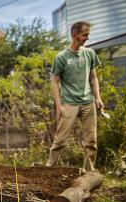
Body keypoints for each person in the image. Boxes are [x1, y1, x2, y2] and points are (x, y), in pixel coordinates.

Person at [46, 21, 104, 173]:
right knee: (60, 140)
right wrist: (58, 106)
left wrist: (97, 97)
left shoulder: (89, 53)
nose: (87, 38)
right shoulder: (61, 57)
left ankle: (89, 172)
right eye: (85, 35)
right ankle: (49, 170)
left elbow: (93, 78)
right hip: (68, 103)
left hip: (87, 102)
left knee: (91, 141)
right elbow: (54, 82)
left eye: (88, 34)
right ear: (74, 35)